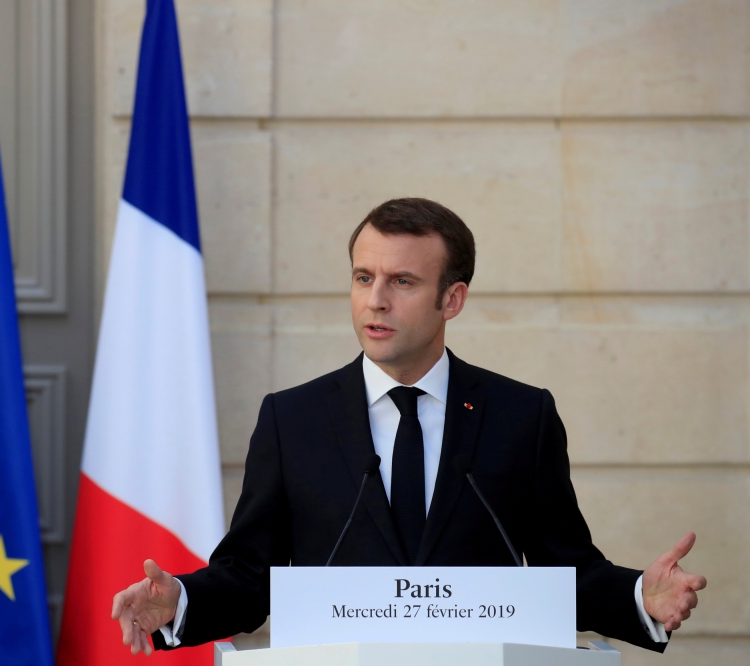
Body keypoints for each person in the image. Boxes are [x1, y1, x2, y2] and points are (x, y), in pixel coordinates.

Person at [110, 198, 707, 656]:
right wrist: (180, 600)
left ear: (453, 299)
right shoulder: (293, 420)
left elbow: (563, 571)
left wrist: (639, 598)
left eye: (402, 282)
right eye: (363, 277)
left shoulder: (521, 416)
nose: (375, 301)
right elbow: (250, 577)